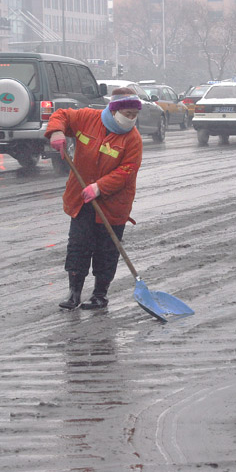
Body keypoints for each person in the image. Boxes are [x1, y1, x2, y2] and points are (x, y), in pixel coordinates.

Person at [46, 87, 144, 310]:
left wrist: (100, 187)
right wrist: (57, 132)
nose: (130, 119)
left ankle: (100, 294)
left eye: (134, 115)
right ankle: (74, 293)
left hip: (112, 204)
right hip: (82, 199)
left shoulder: (133, 139)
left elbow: (128, 170)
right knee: (78, 246)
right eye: (127, 114)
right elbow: (61, 115)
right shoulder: (87, 118)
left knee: (107, 250)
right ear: (114, 109)